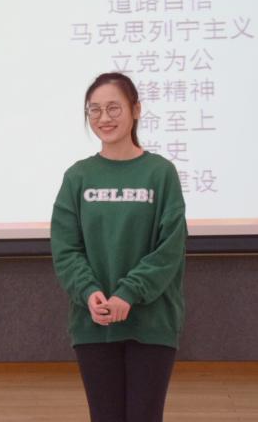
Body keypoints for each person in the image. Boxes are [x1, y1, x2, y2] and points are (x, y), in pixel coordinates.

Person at [50, 72, 187, 422]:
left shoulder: (161, 173)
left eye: (113, 108)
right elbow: (66, 248)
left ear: (136, 110)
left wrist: (128, 293)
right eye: (94, 110)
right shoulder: (77, 177)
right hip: (94, 321)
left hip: (152, 323)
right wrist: (89, 292)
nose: (104, 118)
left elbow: (169, 249)